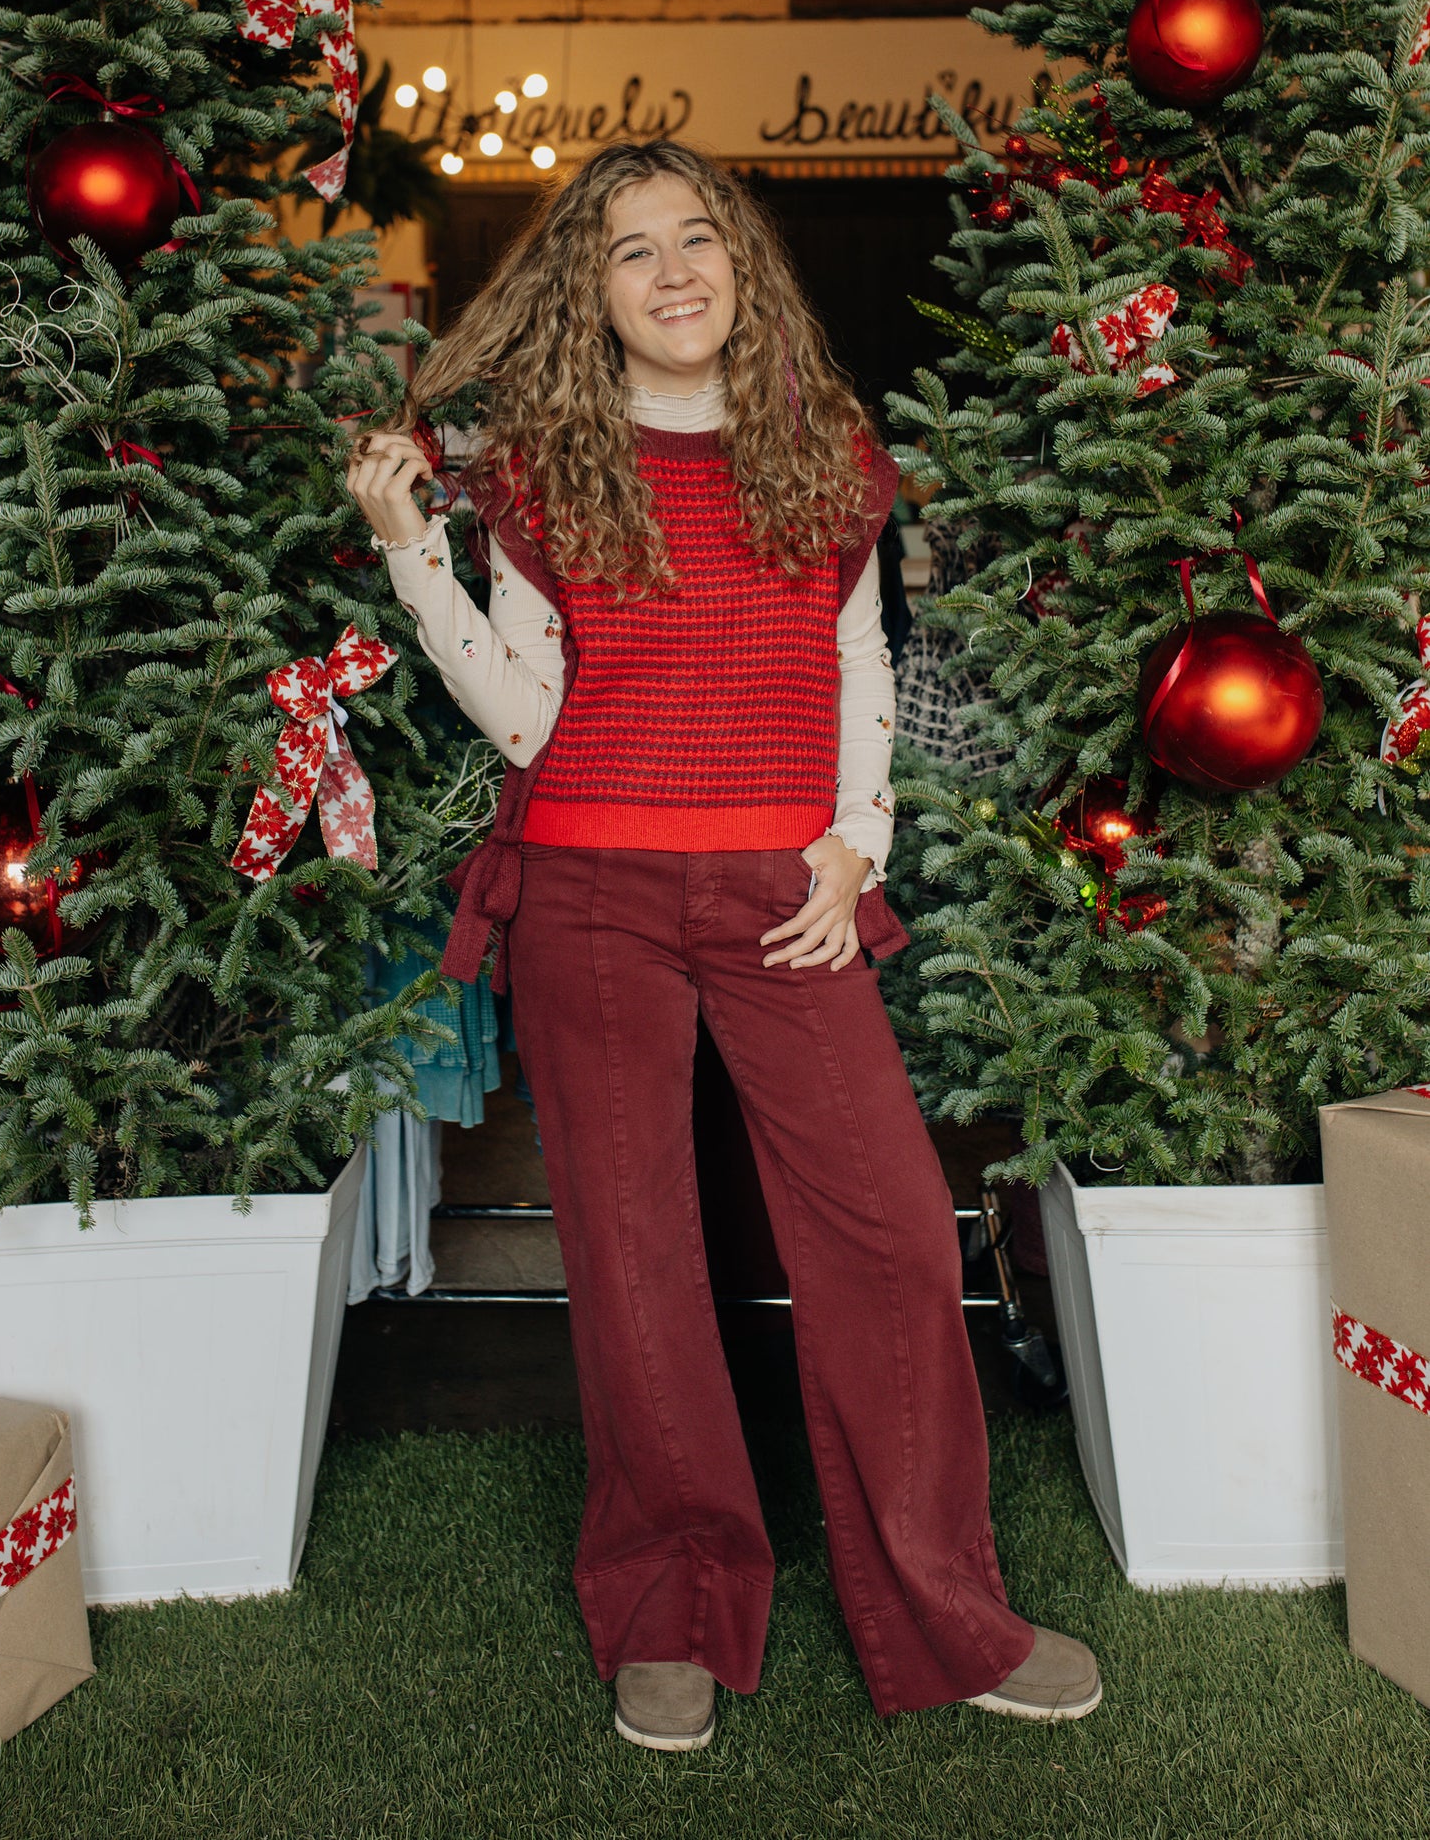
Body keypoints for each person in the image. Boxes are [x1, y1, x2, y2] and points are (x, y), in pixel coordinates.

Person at [344, 139, 1100, 1750]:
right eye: (633, 251)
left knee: (894, 1234)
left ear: (741, 264)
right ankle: (670, 1595)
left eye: (700, 238)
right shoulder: (545, 467)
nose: (675, 270)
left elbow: (855, 670)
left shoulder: (823, 450)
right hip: (593, 892)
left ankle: (945, 1603)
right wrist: (418, 560)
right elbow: (532, 715)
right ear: (589, 293)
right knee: (634, 1258)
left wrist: (855, 844)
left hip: (786, 892)